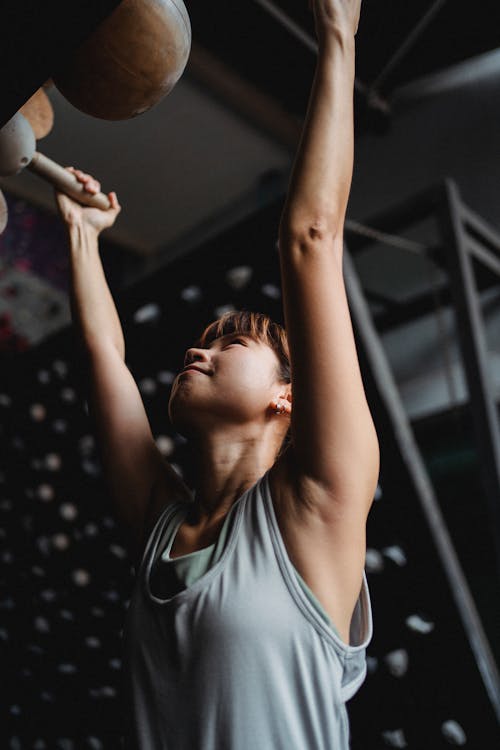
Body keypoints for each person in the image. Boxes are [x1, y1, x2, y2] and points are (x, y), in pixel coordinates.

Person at [56, 1, 379, 747]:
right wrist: (82, 237)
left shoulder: (323, 503)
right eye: (203, 342)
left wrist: (338, 33)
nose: (197, 351)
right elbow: (106, 354)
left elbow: (310, 237)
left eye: (230, 344)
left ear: (285, 398)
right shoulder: (162, 523)